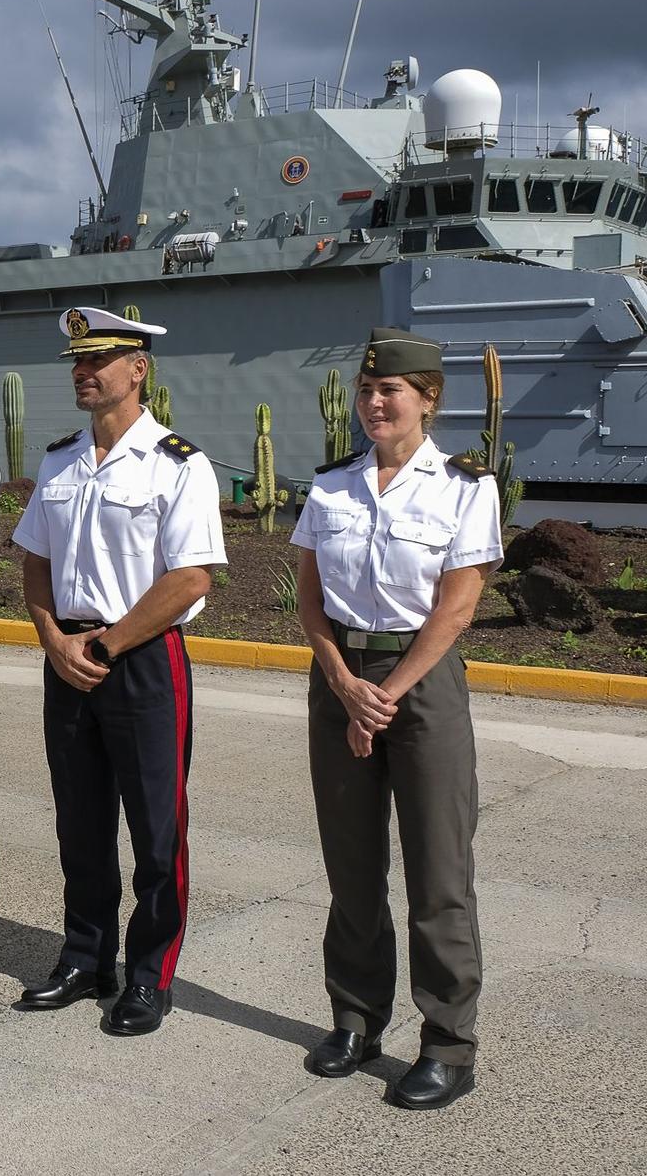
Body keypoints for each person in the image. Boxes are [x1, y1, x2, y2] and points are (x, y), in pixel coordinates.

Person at [290, 326, 499, 1110]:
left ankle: (448, 1043)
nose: (375, 403)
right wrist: (344, 682)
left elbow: (459, 605)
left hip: (424, 682)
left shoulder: (464, 487)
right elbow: (308, 600)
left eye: (392, 392)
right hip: (340, 675)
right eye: (368, 391)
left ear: (428, 400)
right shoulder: (331, 487)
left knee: (439, 873)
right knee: (351, 867)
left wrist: (386, 692)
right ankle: (355, 1017)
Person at [12, 306, 225, 1036]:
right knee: (80, 821)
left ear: (137, 370)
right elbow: (34, 561)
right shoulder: (59, 459)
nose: (83, 371)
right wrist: (52, 639)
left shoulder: (178, 463)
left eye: (98, 360)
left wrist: (104, 646)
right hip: (67, 655)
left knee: (157, 830)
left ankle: (149, 975)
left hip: (141, 659)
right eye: (77, 360)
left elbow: (191, 578)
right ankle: (85, 957)